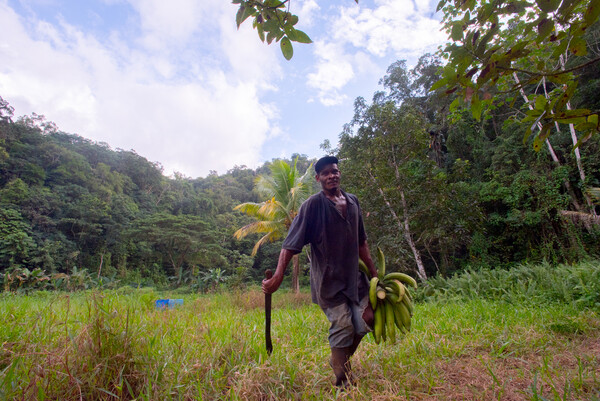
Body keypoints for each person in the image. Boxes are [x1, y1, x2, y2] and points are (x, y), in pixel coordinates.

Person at [262, 155, 378, 388]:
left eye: (334, 171)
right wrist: (278, 276)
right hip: (328, 282)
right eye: (325, 173)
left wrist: (375, 276)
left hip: (355, 279)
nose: (331, 175)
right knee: (342, 327)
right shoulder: (312, 206)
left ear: (339, 173)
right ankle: (343, 382)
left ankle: (339, 358)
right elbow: (290, 244)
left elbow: (361, 243)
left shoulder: (353, 201)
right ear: (318, 178)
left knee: (368, 319)